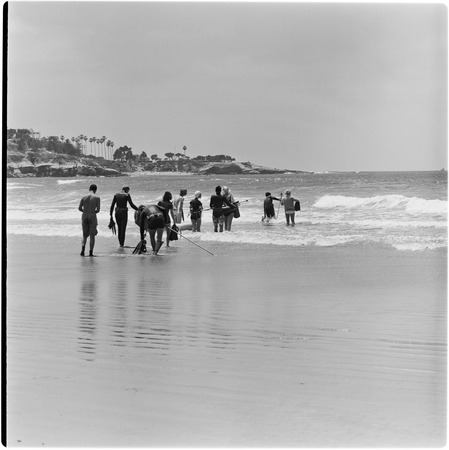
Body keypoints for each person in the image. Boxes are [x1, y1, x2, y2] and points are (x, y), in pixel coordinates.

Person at [78, 184, 100, 256]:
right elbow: (98, 210)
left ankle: (82, 251)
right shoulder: (97, 197)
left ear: (89, 189)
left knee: (84, 235)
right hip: (92, 216)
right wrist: (92, 212)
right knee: (92, 236)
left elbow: (79, 208)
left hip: (84, 216)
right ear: (95, 190)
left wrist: (85, 211)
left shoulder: (83, 197)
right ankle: (90, 252)